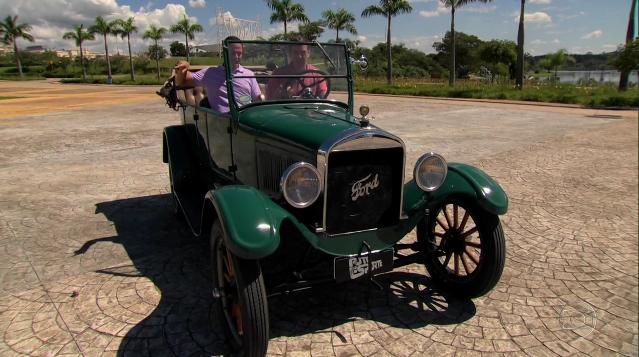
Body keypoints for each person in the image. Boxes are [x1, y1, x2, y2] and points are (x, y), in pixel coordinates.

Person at [174, 36, 261, 113]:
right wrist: (184, 65)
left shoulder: (249, 74)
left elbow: (257, 100)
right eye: (233, 53)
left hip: (246, 118)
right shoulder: (210, 73)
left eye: (239, 53)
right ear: (225, 52)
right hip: (223, 122)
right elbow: (182, 82)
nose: (236, 57)